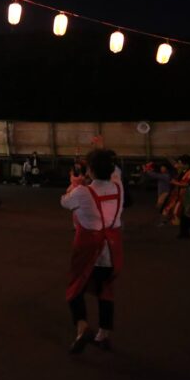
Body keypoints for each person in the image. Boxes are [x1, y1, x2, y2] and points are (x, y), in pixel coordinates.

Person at [60, 149, 124, 354]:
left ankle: (82, 327)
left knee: (75, 288)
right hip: (111, 248)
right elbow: (115, 172)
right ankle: (103, 334)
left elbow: (65, 202)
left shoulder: (82, 191)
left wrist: (74, 183)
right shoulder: (118, 186)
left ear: (90, 170)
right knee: (106, 289)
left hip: (88, 246)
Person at [171, 155, 190, 239]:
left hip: (187, 195)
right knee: (181, 213)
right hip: (183, 194)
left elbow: (186, 184)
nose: (179, 164)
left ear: (186, 164)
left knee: (179, 213)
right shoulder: (185, 171)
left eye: (180, 163)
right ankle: (185, 232)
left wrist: (175, 183)